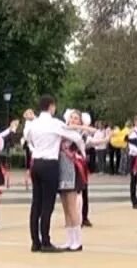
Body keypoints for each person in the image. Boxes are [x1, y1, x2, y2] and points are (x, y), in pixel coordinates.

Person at [23, 95, 83, 253]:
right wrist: (82, 152)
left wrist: (37, 148)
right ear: (51, 106)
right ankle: (46, 241)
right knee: (47, 204)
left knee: (36, 203)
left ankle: (35, 241)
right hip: (49, 163)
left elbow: (27, 138)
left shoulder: (33, 124)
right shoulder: (55, 123)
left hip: (36, 162)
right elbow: (75, 136)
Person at [58, 110, 92, 252]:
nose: (73, 120)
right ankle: (69, 239)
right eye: (71, 117)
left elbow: (84, 146)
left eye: (76, 118)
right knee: (65, 207)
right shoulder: (62, 131)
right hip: (61, 170)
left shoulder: (79, 135)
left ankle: (77, 241)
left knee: (72, 206)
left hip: (73, 170)